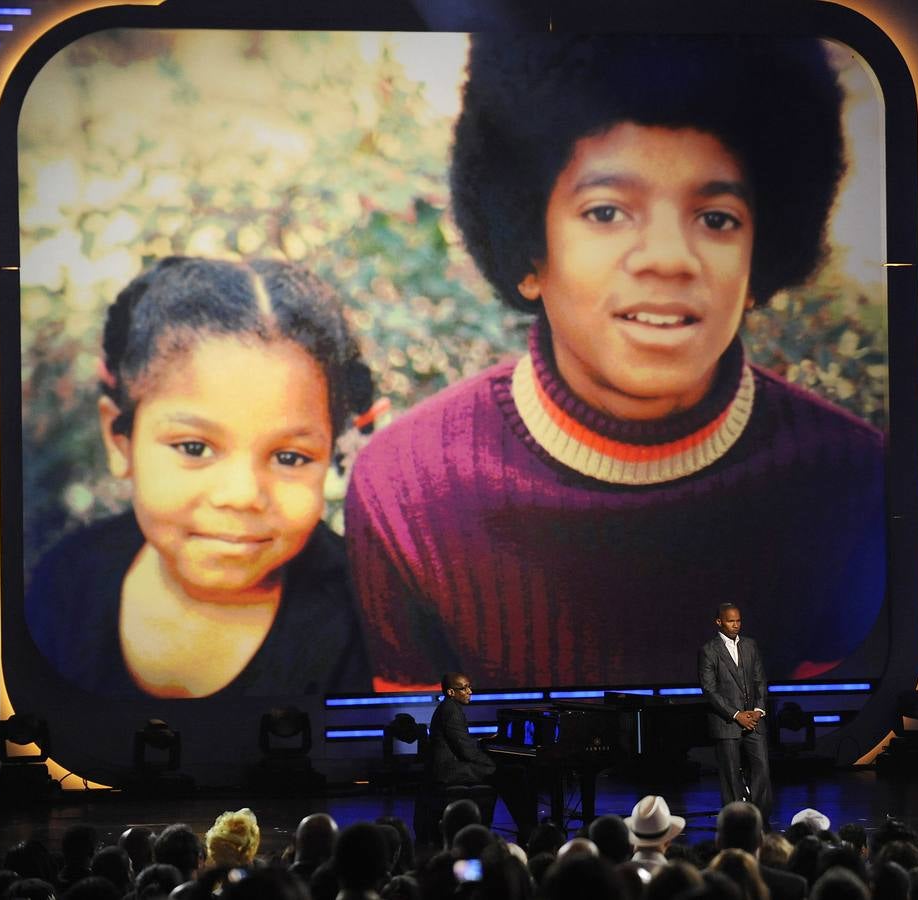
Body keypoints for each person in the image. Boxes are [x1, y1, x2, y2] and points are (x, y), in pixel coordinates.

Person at [345, 33, 886, 691]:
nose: (667, 256)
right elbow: (420, 766)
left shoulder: (853, 481)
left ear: (761, 260)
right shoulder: (407, 492)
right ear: (528, 251)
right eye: (606, 211)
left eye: (716, 218)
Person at [23, 257, 374, 698]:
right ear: (120, 441)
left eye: (289, 457)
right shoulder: (68, 581)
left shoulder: (363, 628)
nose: (242, 495)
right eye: (194, 448)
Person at [429, 672, 537, 842]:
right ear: (450, 692)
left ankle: (527, 828)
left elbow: (461, 742)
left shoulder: (449, 708)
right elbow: (466, 752)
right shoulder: (451, 711)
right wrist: (493, 762)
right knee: (511, 774)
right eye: (464, 688)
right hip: (450, 771)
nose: (470, 691)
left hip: (452, 765)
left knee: (508, 772)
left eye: (469, 686)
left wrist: (483, 744)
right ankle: (528, 830)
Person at [699, 604, 773, 822]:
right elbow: (710, 690)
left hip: (754, 719)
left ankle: (759, 817)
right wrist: (736, 714)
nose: (736, 625)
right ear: (719, 622)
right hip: (727, 722)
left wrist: (758, 710)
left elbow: (760, 679)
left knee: (762, 769)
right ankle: (735, 819)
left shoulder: (750, 645)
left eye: (738, 620)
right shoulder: (709, 650)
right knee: (731, 775)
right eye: (731, 621)